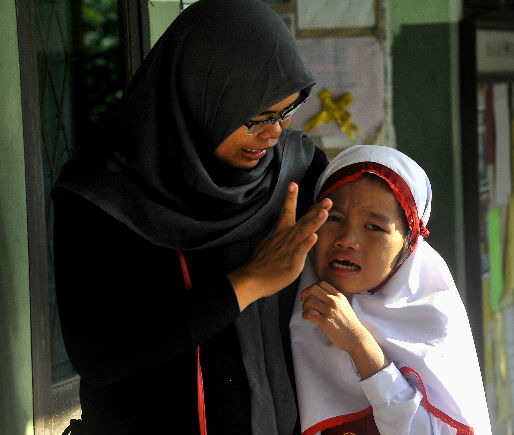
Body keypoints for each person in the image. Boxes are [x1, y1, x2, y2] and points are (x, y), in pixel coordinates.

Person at [52, 0, 331, 433]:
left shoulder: (296, 171)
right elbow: (99, 355)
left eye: (286, 112)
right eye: (257, 117)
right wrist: (249, 282)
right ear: (198, 94)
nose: (274, 134)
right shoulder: (104, 195)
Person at [290, 145, 493, 435]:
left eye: (374, 227)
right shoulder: (284, 299)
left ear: (409, 244)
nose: (347, 239)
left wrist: (360, 345)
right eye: (333, 218)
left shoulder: (432, 324)